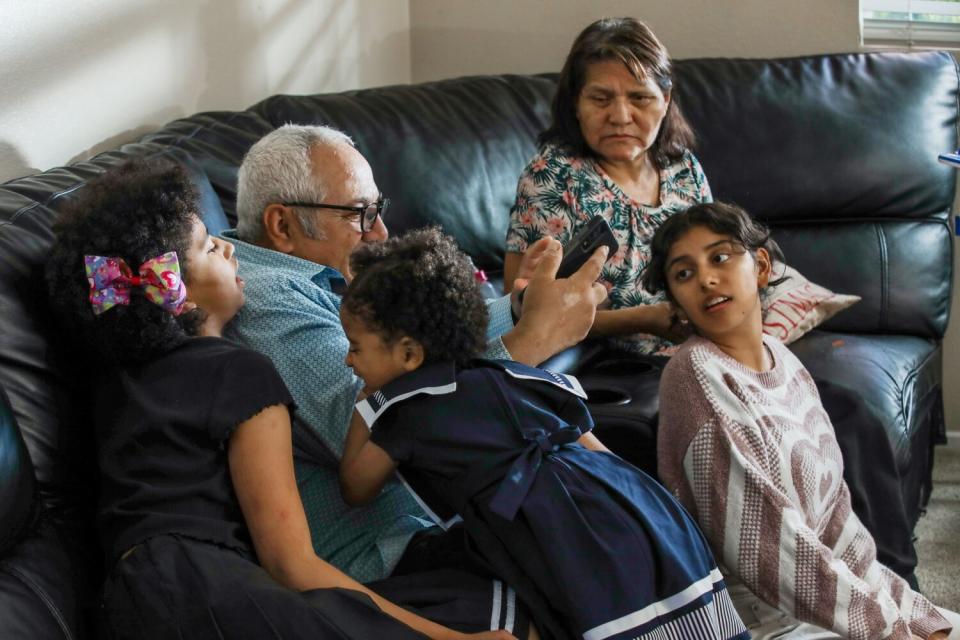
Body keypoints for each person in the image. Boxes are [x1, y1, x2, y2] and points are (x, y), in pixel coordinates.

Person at [45, 159, 517, 640]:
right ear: (177, 295)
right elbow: (292, 565)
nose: (230, 248)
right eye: (210, 246)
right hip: (212, 588)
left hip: (123, 600)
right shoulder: (241, 373)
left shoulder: (116, 381)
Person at [225, 124, 607, 593]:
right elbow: (382, 419)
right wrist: (532, 341)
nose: (381, 231)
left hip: (439, 516)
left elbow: (416, 345)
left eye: (378, 210)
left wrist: (517, 308)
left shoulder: (313, 275)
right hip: (393, 551)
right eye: (360, 214)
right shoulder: (266, 300)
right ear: (282, 225)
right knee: (596, 540)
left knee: (599, 501)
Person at [336, 227, 749, 640]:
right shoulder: (509, 372)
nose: (348, 359)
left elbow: (355, 486)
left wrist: (367, 400)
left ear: (409, 353)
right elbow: (589, 443)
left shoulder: (408, 413)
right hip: (630, 500)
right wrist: (646, 500)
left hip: (559, 532)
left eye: (355, 346)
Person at [643, 202, 958, 640]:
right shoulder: (695, 375)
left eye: (720, 257)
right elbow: (768, 552)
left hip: (824, 607)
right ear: (676, 299)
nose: (706, 279)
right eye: (684, 273)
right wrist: (890, 631)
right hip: (763, 623)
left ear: (761, 266)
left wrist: (915, 616)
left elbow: (837, 522)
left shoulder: (785, 362)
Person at [504, 17, 711, 356]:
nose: (620, 116)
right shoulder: (552, 177)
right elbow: (523, 312)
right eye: (601, 99)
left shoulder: (683, 168)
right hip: (605, 368)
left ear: (666, 99)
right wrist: (642, 319)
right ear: (576, 103)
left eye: (640, 98)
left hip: (696, 349)